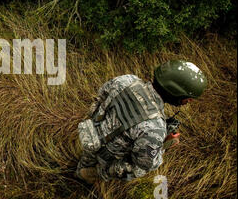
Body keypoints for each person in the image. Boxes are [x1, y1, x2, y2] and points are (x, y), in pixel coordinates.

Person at [76, 60, 207, 184]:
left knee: (85, 160)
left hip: (90, 132)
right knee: (140, 169)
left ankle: (80, 171)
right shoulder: (155, 128)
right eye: (188, 98)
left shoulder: (127, 80)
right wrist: (163, 146)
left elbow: (100, 97)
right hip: (106, 158)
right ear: (175, 92)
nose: (189, 101)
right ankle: (95, 173)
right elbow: (144, 164)